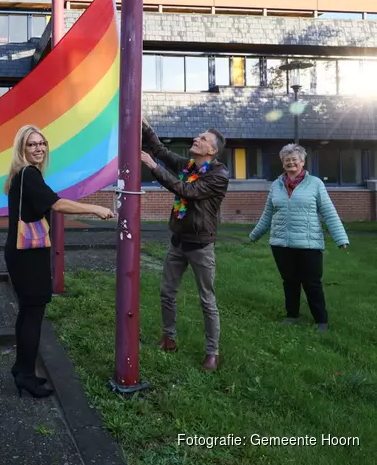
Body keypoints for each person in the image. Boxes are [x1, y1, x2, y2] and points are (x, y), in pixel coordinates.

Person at [4, 124, 114, 398]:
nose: (39, 148)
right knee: (33, 314)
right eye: (32, 144)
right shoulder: (29, 174)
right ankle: (27, 375)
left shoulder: (24, 174)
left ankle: (22, 370)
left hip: (22, 253)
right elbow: (57, 204)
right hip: (28, 255)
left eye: (41, 143)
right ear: (22, 149)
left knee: (27, 313)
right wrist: (96, 208)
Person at [140, 117, 229, 372]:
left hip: (201, 246)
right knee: (167, 292)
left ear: (212, 150)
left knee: (206, 300)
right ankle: (169, 338)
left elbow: (186, 191)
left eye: (202, 139)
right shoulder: (188, 166)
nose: (196, 139)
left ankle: (212, 352)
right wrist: (145, 126)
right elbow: (161, 151)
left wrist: (153, 167)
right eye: (198, 136)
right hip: (178, 242)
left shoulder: (218, 175)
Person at [249, 144, 349, 332]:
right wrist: (254, 235)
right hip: (281, 243)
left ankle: (321, 320)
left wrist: (340, 238)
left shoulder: (315, 184)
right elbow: (267, 214)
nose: (291, 162)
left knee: (312, 282)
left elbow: (328, 211)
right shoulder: (276, 185)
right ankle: (292, 315)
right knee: (290, 281)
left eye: (295, 159)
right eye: (287, 159)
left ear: (302, 162)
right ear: (282, 163)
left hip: (308, 243)